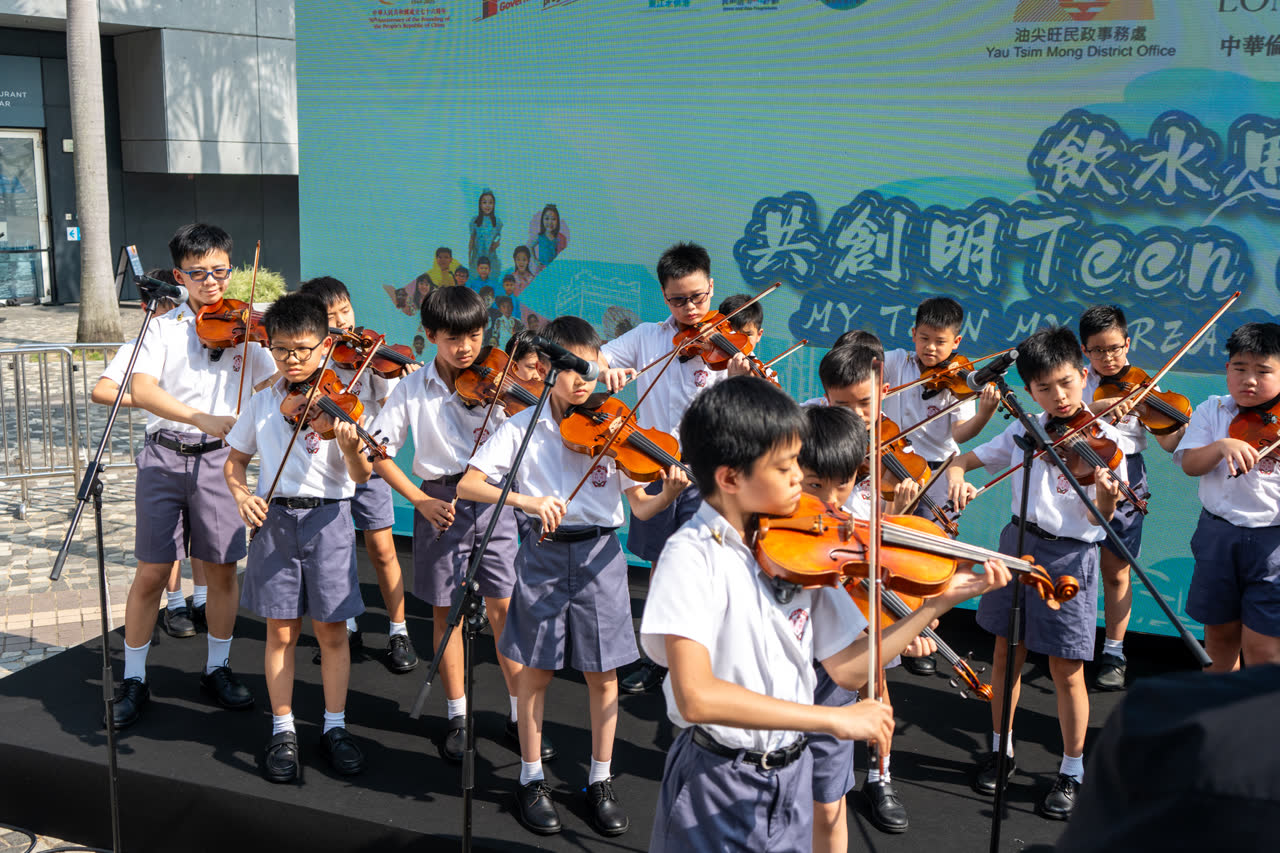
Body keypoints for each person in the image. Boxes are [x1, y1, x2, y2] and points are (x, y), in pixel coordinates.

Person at [641, 376, 1011, 852]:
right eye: (785, 468)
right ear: (731, 479)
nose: (800, 480)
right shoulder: (690, 557)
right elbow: (696, 698)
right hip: (719, 778)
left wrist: (936, 604)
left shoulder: (799, 550)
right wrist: (831, 720)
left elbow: (849, 667)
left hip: (791, 774)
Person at [459, 315, 689, 838]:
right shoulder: (521, 426)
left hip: (600, 558)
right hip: (542, 555)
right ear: (546, 369)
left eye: (592, 369)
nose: (584, 380)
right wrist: (526, 501)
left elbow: (641, 507)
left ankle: (600, 780)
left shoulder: (615, 422)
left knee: (603, 675)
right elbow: (470, 485)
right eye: (572, 369)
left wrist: (669, 493)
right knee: (535, 672)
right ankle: (531, 778)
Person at [946, 326, 1123, 821]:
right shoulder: (1024, 431)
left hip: (1070, 558)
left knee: (1067, 669)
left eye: (1066, 383)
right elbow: (966, 458)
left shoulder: (1106, 442)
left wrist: (1106, 493)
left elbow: (1097, 518)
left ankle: (1072, 769)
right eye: (1044, 388)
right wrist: (958, 476)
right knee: (1006, 654)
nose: (1059, 396)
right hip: (1017, 547)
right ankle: (1000, 748)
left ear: (1084, 375)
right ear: (1029, 391)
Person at [109, 223, 278, 729]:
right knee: (153, 571)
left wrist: (285, 355)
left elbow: (275, 381)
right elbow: (142, 389)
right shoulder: (162, 328)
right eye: (199, 273)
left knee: (222, 569)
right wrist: (199, 416)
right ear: (180, 276)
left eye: (220, 271)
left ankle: (217, 668)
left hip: (219, 461)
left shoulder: (247, 330)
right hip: (164, 456)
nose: (212, 282)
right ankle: (134, 677)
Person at [368, 286, 533, 764]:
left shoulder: (499, 379)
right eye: (453, 338)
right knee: (447, 612)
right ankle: (458, 715)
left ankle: (522, 715)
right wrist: (419, 499)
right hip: (439, 500)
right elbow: (379, 450)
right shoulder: (411, 387)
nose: (466, 349)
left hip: (494, 499)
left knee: (505, 609)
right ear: (430, 334)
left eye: (475, 337)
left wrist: (513, 402)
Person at [223, 293, 373, 783]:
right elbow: (235, 462)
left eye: (304, 349)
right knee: (281, 631)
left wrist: (350, 449)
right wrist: (242, 496)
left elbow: (362, 475)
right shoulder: (262, 403)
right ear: (269, 347)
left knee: (332, 631)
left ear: (325, 346)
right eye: (282, 349)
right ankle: (283, 728)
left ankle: (334, 726)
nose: (293, 359)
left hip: (329, 520)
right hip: (275, 522)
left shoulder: (342, 402)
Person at [598, 242, 751, 695]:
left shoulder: (726, 345)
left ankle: (707, 661)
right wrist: (606, 371)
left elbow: (747, 416)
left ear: (711, 287)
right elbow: (597, 358)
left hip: (707, 476)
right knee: (661, 568)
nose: (690, 309)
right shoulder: (647, 336)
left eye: (698, 297)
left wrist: (739, 381)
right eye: (678, 300)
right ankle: (660, 659)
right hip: (654, 468)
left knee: (703, 570)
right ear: (664, 296)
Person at [798, 405, 929, 846]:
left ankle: (878, 776)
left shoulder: (853, 531)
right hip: (776, 687)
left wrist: (899, 630)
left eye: (844, 485)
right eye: (815, 485)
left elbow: (858, 618)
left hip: (832, 690)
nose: (831, 501)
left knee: (829, 806)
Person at [298, 276, 420, 674]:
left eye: (345, 311)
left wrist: (403, 381)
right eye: (330, 316)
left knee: (382, 549)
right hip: (324, 469)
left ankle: (398, 629)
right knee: (336, 552)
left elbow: (390, 414)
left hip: (366, 461)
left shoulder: (370, 357)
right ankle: (347, 626)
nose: (341, 322)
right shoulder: (309, 357)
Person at [882, 297, 1001, 675]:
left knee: (931, 558)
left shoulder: (960, 379)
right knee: (892, 553)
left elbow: (960, 434)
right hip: (894, 466)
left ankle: (923, 633)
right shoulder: (896, 361)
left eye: (940, 342)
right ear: (912, 334)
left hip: (936, 472)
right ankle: (893, 633)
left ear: (957, 342)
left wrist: (984, 412)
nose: (930, 348)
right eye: (924, 338)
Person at [91, 273, 208, 640]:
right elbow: (102, 391)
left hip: (207, 447)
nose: (170, 312)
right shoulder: (145, 341)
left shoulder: (203, 337)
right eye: (161, 306)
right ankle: (174, 603)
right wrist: (147, 399)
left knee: (204, 536)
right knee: (169, 541)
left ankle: (202, 598)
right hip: (167, 445)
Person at [1079, 304, 1185, 690]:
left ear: (1127, 343)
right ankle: (1071, 640)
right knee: (1073, 567)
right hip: (1077, 474)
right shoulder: (1076, 380)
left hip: (1126, 479)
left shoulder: (1145, 385)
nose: (1108, 358)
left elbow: (1170, 444)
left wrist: (1171, 423)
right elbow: (1059, 420)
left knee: (1116, 571)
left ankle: (1114, 651)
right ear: (1085, 351)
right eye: (1097, 350)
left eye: (1114, 348)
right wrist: (1096, 408)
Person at [1174, 321, 1280, 672]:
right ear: (1227, 369)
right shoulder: (1212, 410)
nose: (1249, 380)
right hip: (1218, 534)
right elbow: (1190, 464)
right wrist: (1221, 446)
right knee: (1219, 637)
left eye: (1263, 371)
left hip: (1273, 543)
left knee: (1264, 648)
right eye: (1240, 368)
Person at [469, 190, 503, 278]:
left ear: (494, 205)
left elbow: (500, 237)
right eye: (484, 202)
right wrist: (469, 257)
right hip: (477, 257)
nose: (487, 205)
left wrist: (496, 243)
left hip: (491, 258)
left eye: (490, 203)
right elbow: (471, 240)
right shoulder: (475, 221)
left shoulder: (497, 222)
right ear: (480, 205)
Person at [527, 204, 568, 274]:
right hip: (542, 270)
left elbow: (564, 255)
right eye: (547, 219)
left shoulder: (560, 238)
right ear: (542, 220)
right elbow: (530, 246)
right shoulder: (540, 237)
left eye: (553, 219)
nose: (550, 222)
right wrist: (535, 260)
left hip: (555, 270)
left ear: (557, 221)